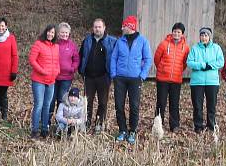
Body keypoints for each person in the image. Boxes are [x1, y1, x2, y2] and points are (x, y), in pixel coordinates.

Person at [110, 15, 152, 144]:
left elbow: (148, 59)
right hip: (120, 79)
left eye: (125, 26)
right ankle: (122, 130)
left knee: (134, 106)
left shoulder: (143, 41)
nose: (123, 28)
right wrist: (114, 75)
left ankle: (132, 131)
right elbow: (113, 58)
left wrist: (142, 76)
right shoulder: (120, 41)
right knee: (119, 105)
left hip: (135, 79)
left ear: (131, 27)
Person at [78, 18, 116, 132]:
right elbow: (81, 55)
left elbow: (116, 58)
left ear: (104, 28)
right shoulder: (87, 40)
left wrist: (112, 73)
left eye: (99, 27)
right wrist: (81, 70)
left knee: (103, 102)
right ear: (92, 28)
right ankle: (86, 122)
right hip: (89, 77)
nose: (97, 29)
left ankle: (99, 123)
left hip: (104, 77)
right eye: (95, 27)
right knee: (87, 101)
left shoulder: (112, 41)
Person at [187, 27, 224, 133]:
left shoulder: (216, 48)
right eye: (202, 35)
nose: (204, 37)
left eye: (206, 35)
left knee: (211, 105)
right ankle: (198, 126)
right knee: (197, 106)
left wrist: (210, 66)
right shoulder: (195, 48)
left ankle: (211, 126)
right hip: (197, 82)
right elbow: (189, 62)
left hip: (212, 82)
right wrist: (202, 65)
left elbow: (221, 62)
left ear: (209, 37)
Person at [153, 22, 189, 131]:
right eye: (175, 31)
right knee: (161, 102)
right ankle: (158, 124)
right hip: (162, 79)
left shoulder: (186, 47)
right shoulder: (164, 44)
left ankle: (174, 125)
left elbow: (184, 63)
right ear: (172, 32)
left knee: (174, 103)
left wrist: (178, 71)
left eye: (179, 32)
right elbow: (156, 59)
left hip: (176, 80)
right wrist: (162, 69)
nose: (176, 34)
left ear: (182, 34)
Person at [29, 24, 60, 138]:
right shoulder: (38, 44)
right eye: (49, 32)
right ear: (45, 32)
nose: (50, 34)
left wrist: (57, 71)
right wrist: (42, 70)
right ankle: (35, 130)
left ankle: (44, 129)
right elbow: (32, 60)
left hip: (51, 80)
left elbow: (57, 62)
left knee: (47, 105)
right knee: (39, 105)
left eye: (52, 32)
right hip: (39, 80)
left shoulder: (56, 46)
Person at [50, 22, 79, 121]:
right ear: (58, 33)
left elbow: (76, 59)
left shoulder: (72, 46)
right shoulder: (54, 44)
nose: (64, 35)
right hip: (53, 77)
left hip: (66, 78)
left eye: (66, 33)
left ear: (69, 33)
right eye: (62, 32)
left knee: (61, 100)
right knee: (51, 100)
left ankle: (59, 123)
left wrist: (72, 68)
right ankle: (47, 121)